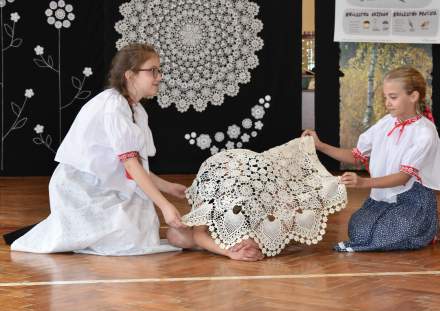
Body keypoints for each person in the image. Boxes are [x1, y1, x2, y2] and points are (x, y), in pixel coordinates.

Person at [7, 43, 187, 255]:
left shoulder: (135, 110)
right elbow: (130, 164)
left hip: (101, 186)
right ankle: (59, 227)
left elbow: (133, 165)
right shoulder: (114, 106)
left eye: (159, 70)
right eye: (152, 71)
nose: (159, 76)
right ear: (130, 75)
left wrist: (168, 187)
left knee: (140, 226)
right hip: (80, 189)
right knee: (127, 239)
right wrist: (165, 205)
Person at [303, 66, 440, 252]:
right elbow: (356, 156)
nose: (387, 103)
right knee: (358, 230)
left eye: (393, 97)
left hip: (412, 200)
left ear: (414, 96)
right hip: (382, 198)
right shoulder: (386, 123)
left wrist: (363, 183)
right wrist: (320, 145)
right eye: (385, 97)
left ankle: (428, 226)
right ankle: (408, 232)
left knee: (388, 232)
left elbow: (403, 177)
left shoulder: (425, 132)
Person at [167, 136, 347, 261]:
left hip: (255, 222)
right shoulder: (214, 186)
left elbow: (284, 215)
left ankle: (235, 243)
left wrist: (260, 242)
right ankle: (222, 243)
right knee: (176, 236)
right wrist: (230, 253)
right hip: (227, 225)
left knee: (252, 241)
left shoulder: (260, 184)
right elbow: (199, 234)